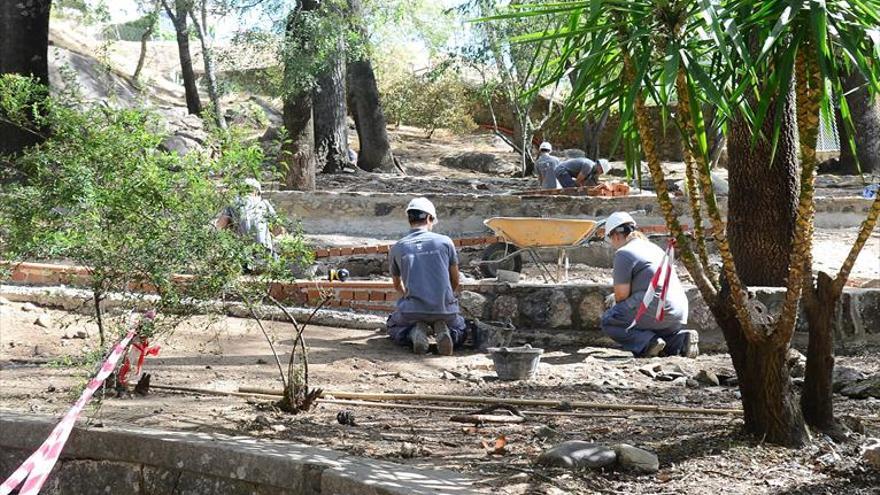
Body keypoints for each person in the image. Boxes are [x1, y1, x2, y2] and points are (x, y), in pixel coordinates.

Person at [600, 212, 698, 358]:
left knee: (609, 320)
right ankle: (680, 340)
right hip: (678, 312)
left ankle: (649, 344)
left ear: (615, 235)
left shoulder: (624, 253)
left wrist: (615, 301)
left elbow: (621, 296)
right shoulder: (653, 248)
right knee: (650, 327)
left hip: (656, 309)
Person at [386, 197, 466, 356]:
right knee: (462, 328)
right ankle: (450, 334)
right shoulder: (445, 242)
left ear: (409, 219)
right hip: (444, 309)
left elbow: (396, 285)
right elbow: (455, 281)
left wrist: (407, 297)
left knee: (392, 325)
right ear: (430, 218)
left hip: (412, 311)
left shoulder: (397, 247)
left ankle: (413, 333)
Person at [216, 178, 282, 258]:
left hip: (241, 254)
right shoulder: (265, 204)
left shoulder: (232, 204)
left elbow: (220, 227)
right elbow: (278, 228)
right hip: (264, 252)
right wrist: (267, 237)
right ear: (257, 192)